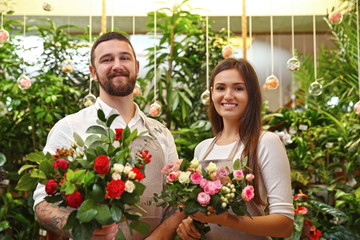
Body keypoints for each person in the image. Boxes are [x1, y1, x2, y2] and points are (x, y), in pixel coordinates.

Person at [33, 31, 185, 240]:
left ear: (137, 67)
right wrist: (84, 232)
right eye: (107, 60)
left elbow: (175, 201)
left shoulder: (162, 133)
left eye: (124, 58)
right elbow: (42, 204)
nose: (117, 65)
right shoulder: (68, 127)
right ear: (93, 72)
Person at [176, 58, 294, 240]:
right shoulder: (202, 149)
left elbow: (285, 225)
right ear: (212, 93)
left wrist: (228, 220)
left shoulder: (265, 142)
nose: (228, 95)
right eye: (221, 88)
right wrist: (192, 223)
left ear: (251, 95)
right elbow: (207, 215)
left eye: (238, 88)